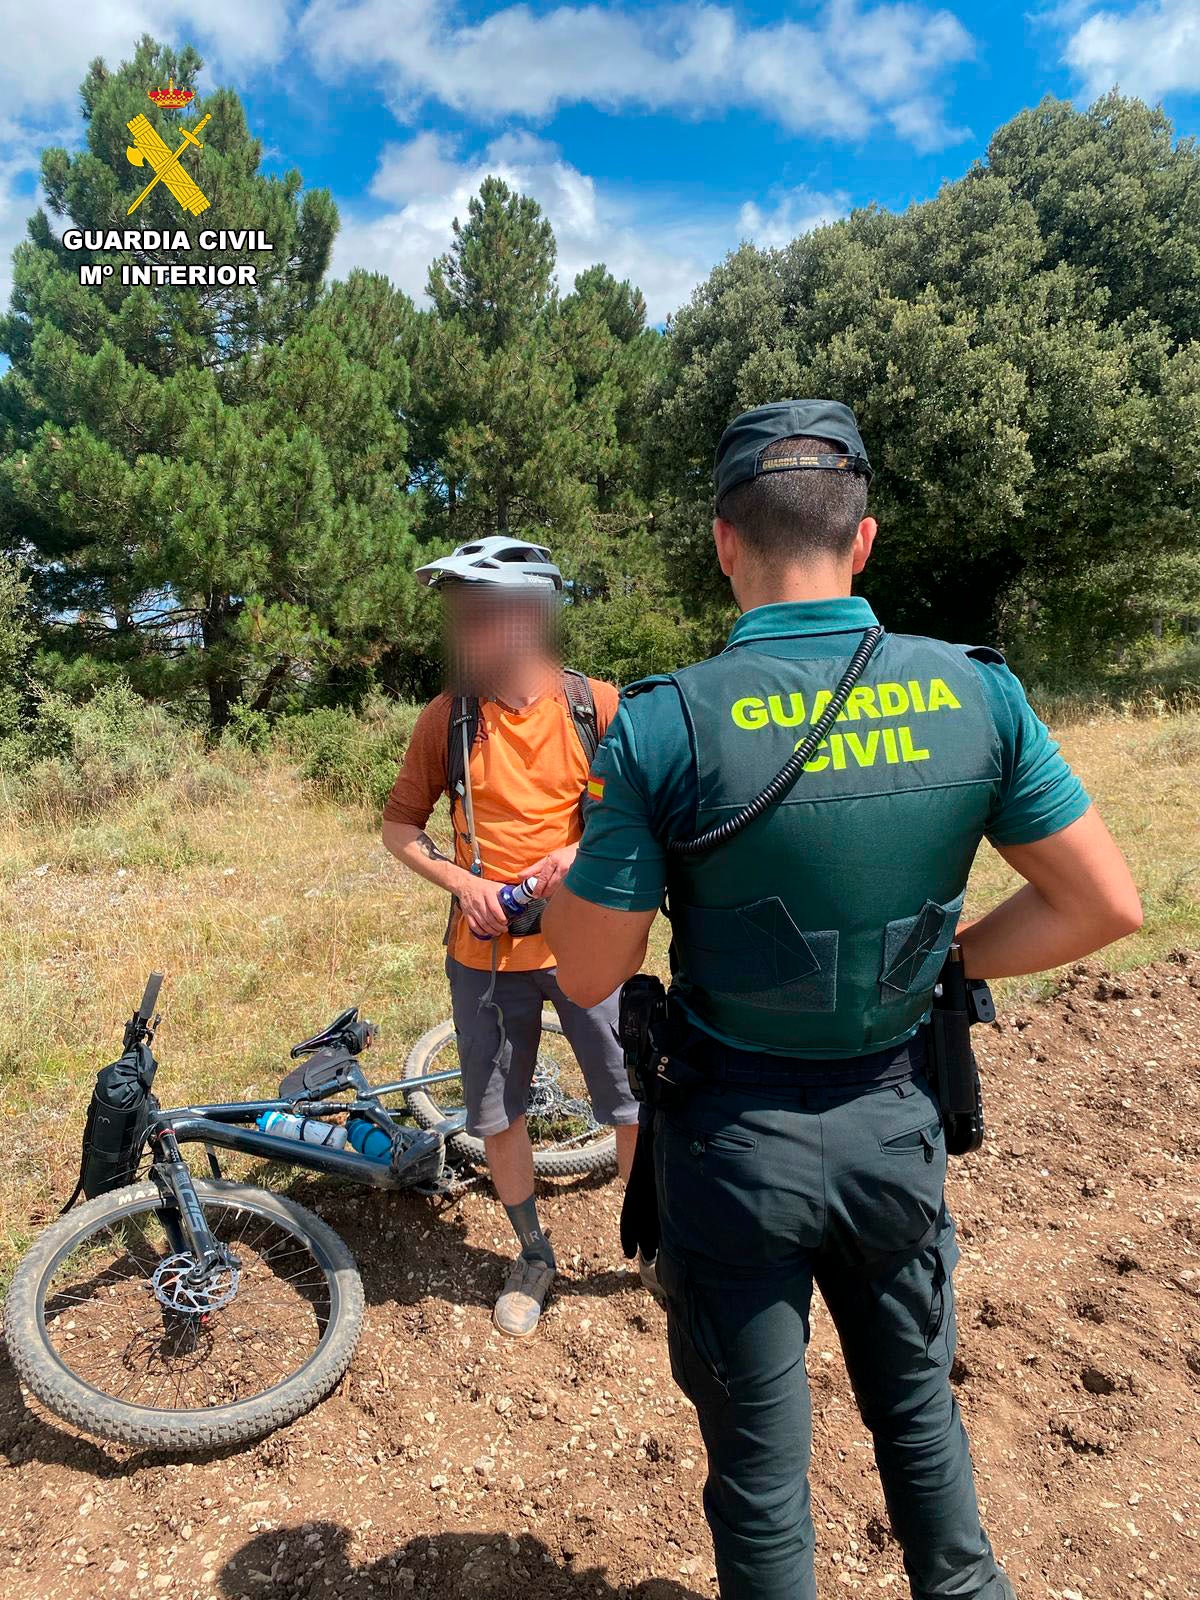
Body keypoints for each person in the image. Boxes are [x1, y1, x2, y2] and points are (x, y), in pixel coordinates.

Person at [543, 400, 1142, 1600]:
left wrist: (573, 875)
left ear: (724, 542)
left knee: (763, 1490)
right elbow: (1104, 903)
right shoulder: (976, 693)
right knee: (921, 1426)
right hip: (895, 1126)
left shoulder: (662, 723)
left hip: (731, 1150)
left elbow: (592, 972)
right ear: (862, 538)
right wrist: (946, 960)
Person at [382, 535, 640, 1340]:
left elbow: (641, 817)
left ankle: (653, 1244)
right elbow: (399, 828)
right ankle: (532, 1253)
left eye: (480, 616)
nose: (465, 634)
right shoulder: (448, 717)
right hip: (485, 957)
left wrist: (579, 854)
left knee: (630, 1102)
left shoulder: (596, 706)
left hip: (586, 943)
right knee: (496, 1115)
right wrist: (464, 885)